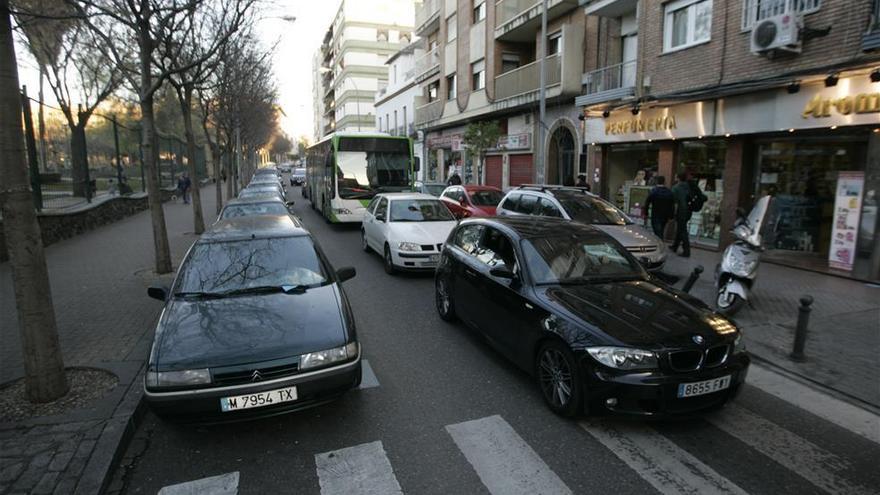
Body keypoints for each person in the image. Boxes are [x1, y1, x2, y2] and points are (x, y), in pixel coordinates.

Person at [671, 172, 692, 257]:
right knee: (681, 228)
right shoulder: (688, 186)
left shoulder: (676, 188)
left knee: (682, 230)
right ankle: (675, 246)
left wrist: (673, 213)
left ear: (678, 178)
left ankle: (686, 250)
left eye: (676, 177)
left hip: (680, 211)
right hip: (688, 210)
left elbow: (675, 203)